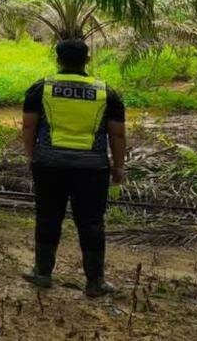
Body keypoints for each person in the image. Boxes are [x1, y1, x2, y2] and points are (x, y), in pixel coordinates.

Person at [21, 39, 126, 298]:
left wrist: (33, 157)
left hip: (49, 165)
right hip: (92, 169)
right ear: (87, 60)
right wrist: (119, 167)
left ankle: (42, 273)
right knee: (91, 222)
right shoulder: (106, 92)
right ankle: (95, 282)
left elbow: (28, 127)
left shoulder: (41, 89)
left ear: (58, 60)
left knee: (48, 216)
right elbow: (118, 135)